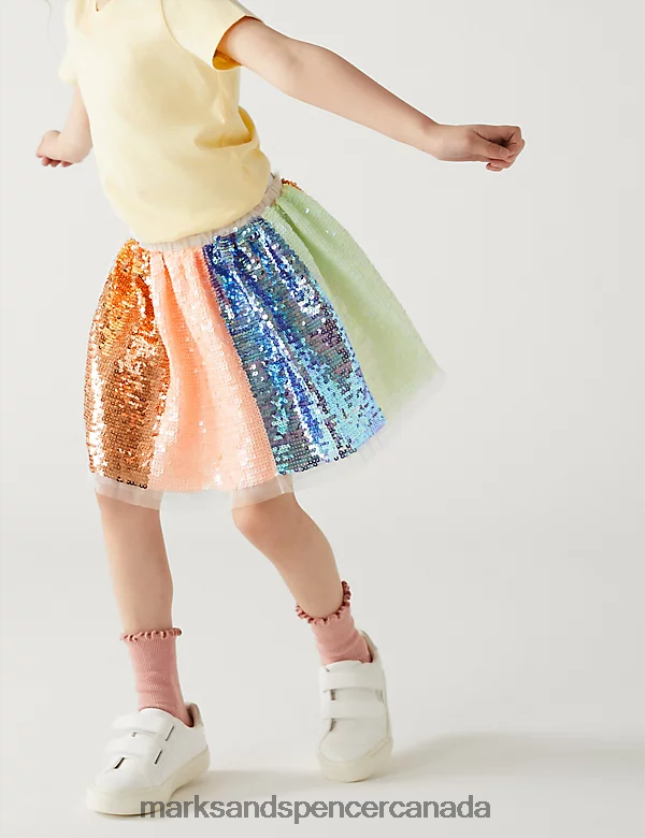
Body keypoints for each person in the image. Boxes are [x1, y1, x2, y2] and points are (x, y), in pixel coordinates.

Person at [38, 0, 525, 815]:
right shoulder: (85, 11)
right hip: (150, 283)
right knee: (119, 495)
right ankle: (162, 712)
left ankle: (347, 657)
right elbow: (93, 91)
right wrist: (67, 140)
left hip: (238, 276)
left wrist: (429, 134)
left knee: (260, 513)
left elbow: (291, 61)